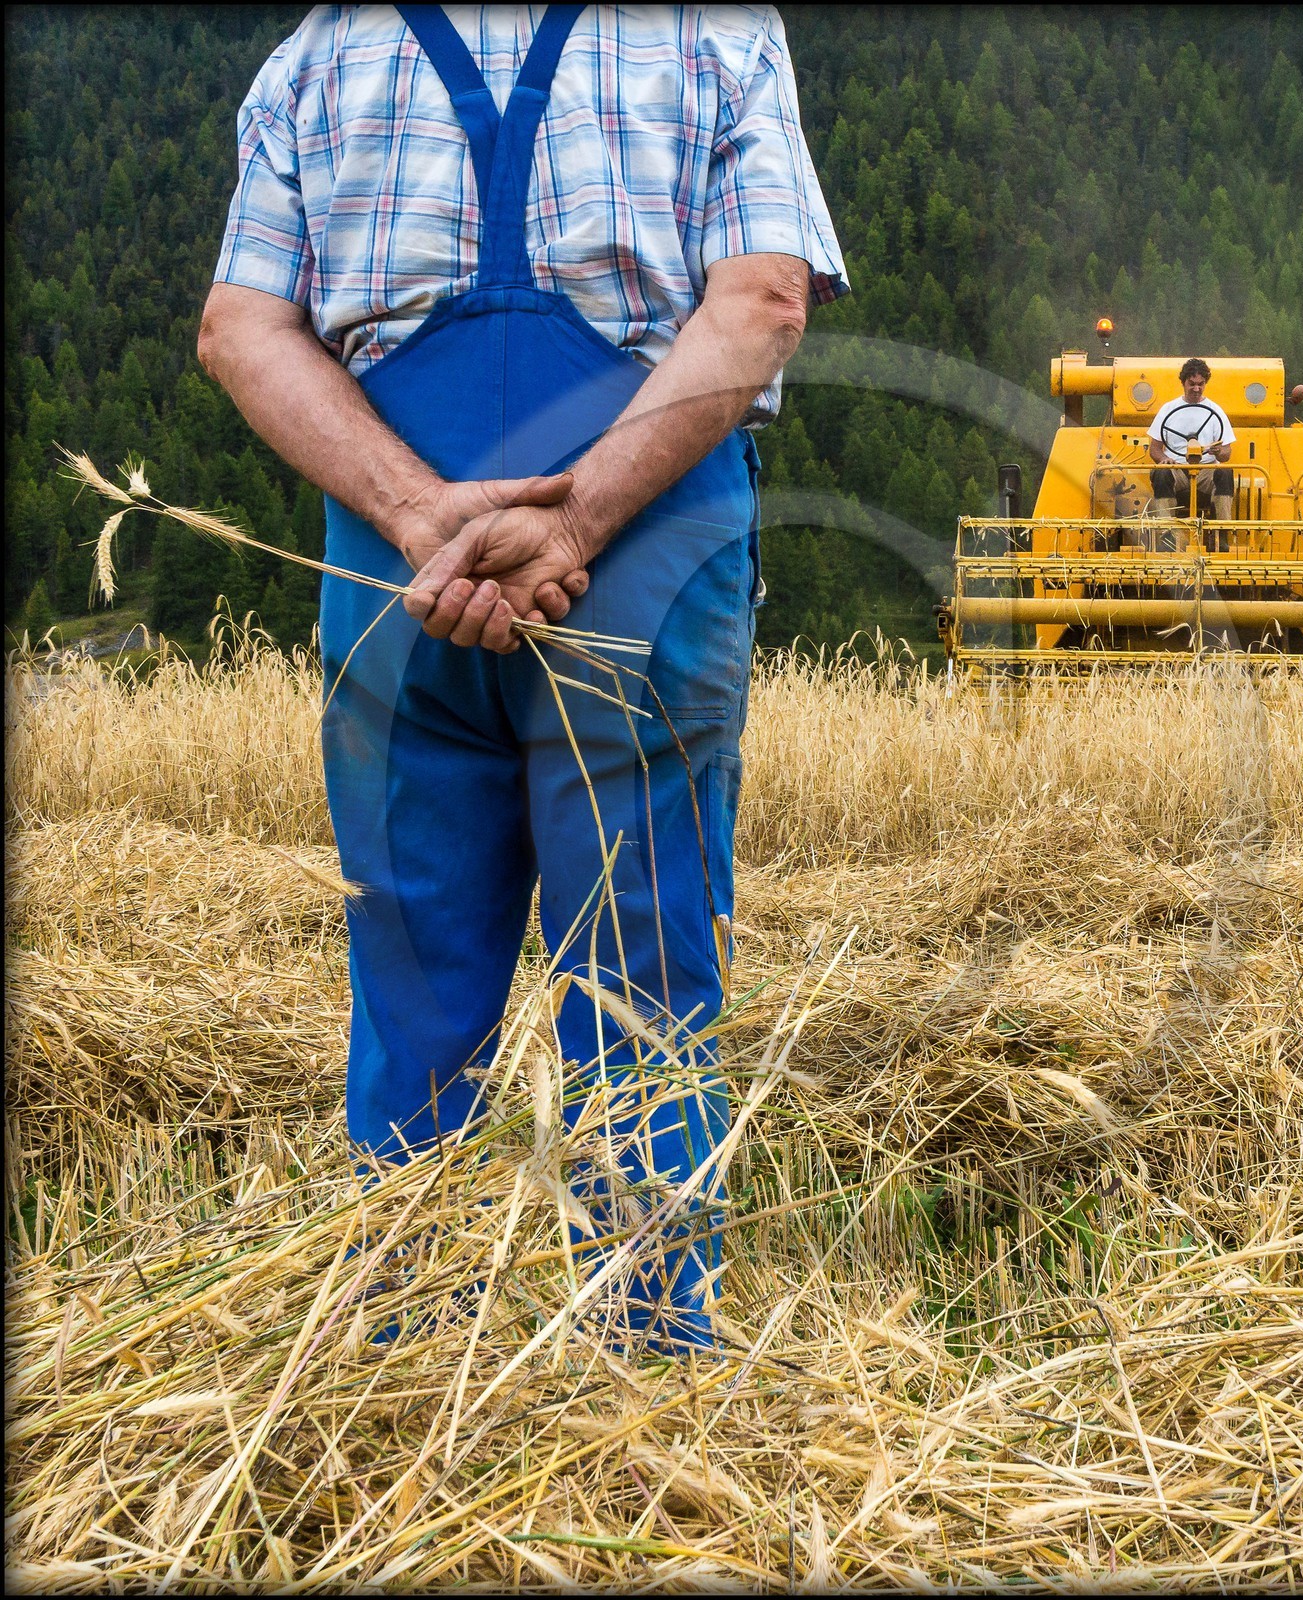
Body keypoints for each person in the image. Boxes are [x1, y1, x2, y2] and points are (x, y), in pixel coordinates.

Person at [197, 4, 848, 1350]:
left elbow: (242, 330)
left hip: (402, 586)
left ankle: (398, 1382)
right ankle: (648, 1387)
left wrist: (421, 516)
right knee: (643, 993)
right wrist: (575, 523)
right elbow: (765, 299)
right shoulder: (714, 32)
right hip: (643, 580)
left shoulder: (319, 50)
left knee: (413, 982)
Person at [1147, 357, 1235, 520]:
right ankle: (1166, 532)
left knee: (1225, 472)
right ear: (1183, 383)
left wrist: (1218, 452)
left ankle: (1222, 532)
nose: (1196, 388)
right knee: (1160, 474)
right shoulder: (1168, 409)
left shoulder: (1215, 411)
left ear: (1205, 384)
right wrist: (1165, 459)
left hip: (1206, 470)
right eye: (1192, 384)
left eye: (1200, 384)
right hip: (1177, 470)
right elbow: (1155, 449)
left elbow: (1227, 453)